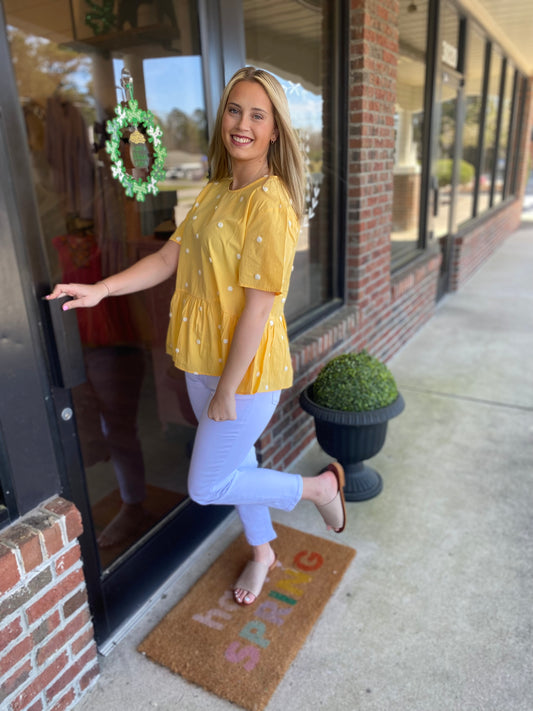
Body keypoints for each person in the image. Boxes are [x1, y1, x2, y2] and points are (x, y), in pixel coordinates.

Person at [47, 66, 347, 606]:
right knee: (241, 465)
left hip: (244, 373)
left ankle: (319, 489)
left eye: (258, 115)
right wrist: (102, 288)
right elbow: (168, 257)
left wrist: (229, 389)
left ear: (275, 129)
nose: (243, 124)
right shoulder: (214, 190)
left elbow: (257, 311)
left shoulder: (270, 202)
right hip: (200, 364)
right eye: (235, 110)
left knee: (206, 485)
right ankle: (264, 554)